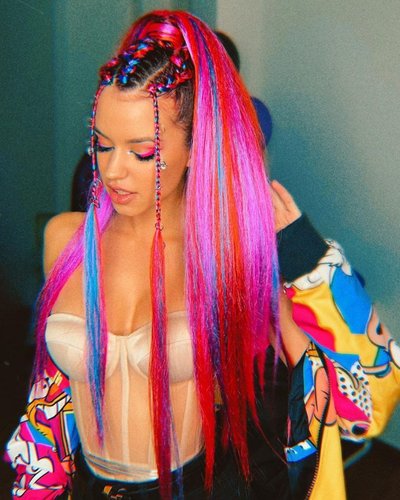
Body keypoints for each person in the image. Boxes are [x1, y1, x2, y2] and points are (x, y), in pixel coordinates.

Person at [4, 10, 400, 500]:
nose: (113, 171)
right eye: (102, 146)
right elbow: (51, 399)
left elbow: (364, 404)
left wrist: (306, 258)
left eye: (142, 151)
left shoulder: (226, 260)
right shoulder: (66, 240)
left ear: (196, 146)